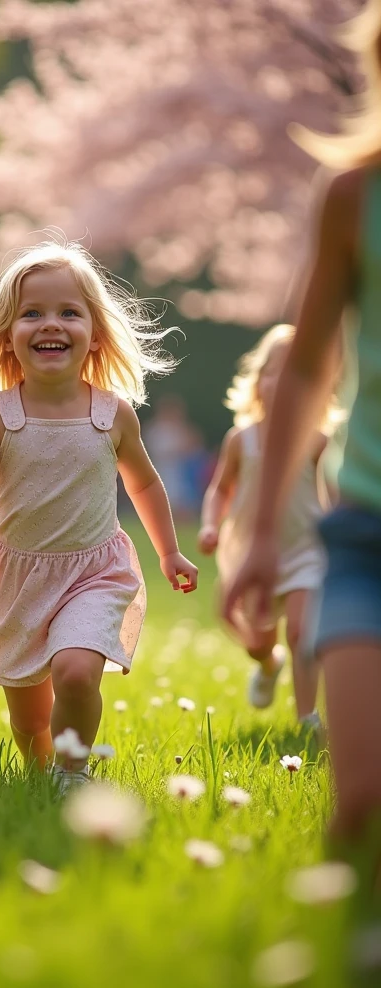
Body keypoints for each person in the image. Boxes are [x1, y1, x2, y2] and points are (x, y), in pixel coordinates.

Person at [0, 240, 198, 789]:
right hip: (17, 576)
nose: (52, 324)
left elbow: (144, 484)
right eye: (33, 313)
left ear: (94, 333)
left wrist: (169, 552)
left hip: (94, 571)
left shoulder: (112, 413)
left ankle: (73, 773)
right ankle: (41, 774)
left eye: (69, 312)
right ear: (8, 334)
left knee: (74, 671)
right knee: (29, 719)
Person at [224, 0, 381, 845]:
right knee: (356, 806)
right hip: (366, 528)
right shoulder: (355, 194)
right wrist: (256, 535)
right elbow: (308, 364)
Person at [199, 324, 339, 728]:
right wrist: (211, 525)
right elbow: (219, 490)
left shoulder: (318, 441)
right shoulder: (241, 440)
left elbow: (331, 496)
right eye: (274, 371)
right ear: (257, 382)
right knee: (257, 639)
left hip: (305, 551)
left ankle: (307, 716)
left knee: (301, 632)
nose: (285, 382)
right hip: (250, 553)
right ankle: (267, 663)